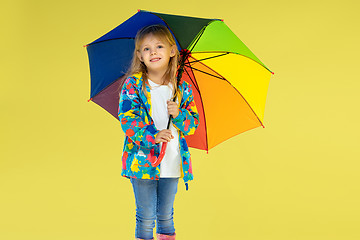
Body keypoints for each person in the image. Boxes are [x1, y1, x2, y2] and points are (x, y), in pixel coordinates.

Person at [117, 24, 200, 240]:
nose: (153, 52)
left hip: (172, 160)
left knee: (165, 216)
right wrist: (153, 135)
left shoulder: (182, 88)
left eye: (159, 46)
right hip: (142, 161)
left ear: (172, 51)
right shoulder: (134, 85)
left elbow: (192, 125)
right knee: (145, 216)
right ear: (139, 55)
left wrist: (180, 114)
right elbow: (128, 119)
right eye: (146, 49)